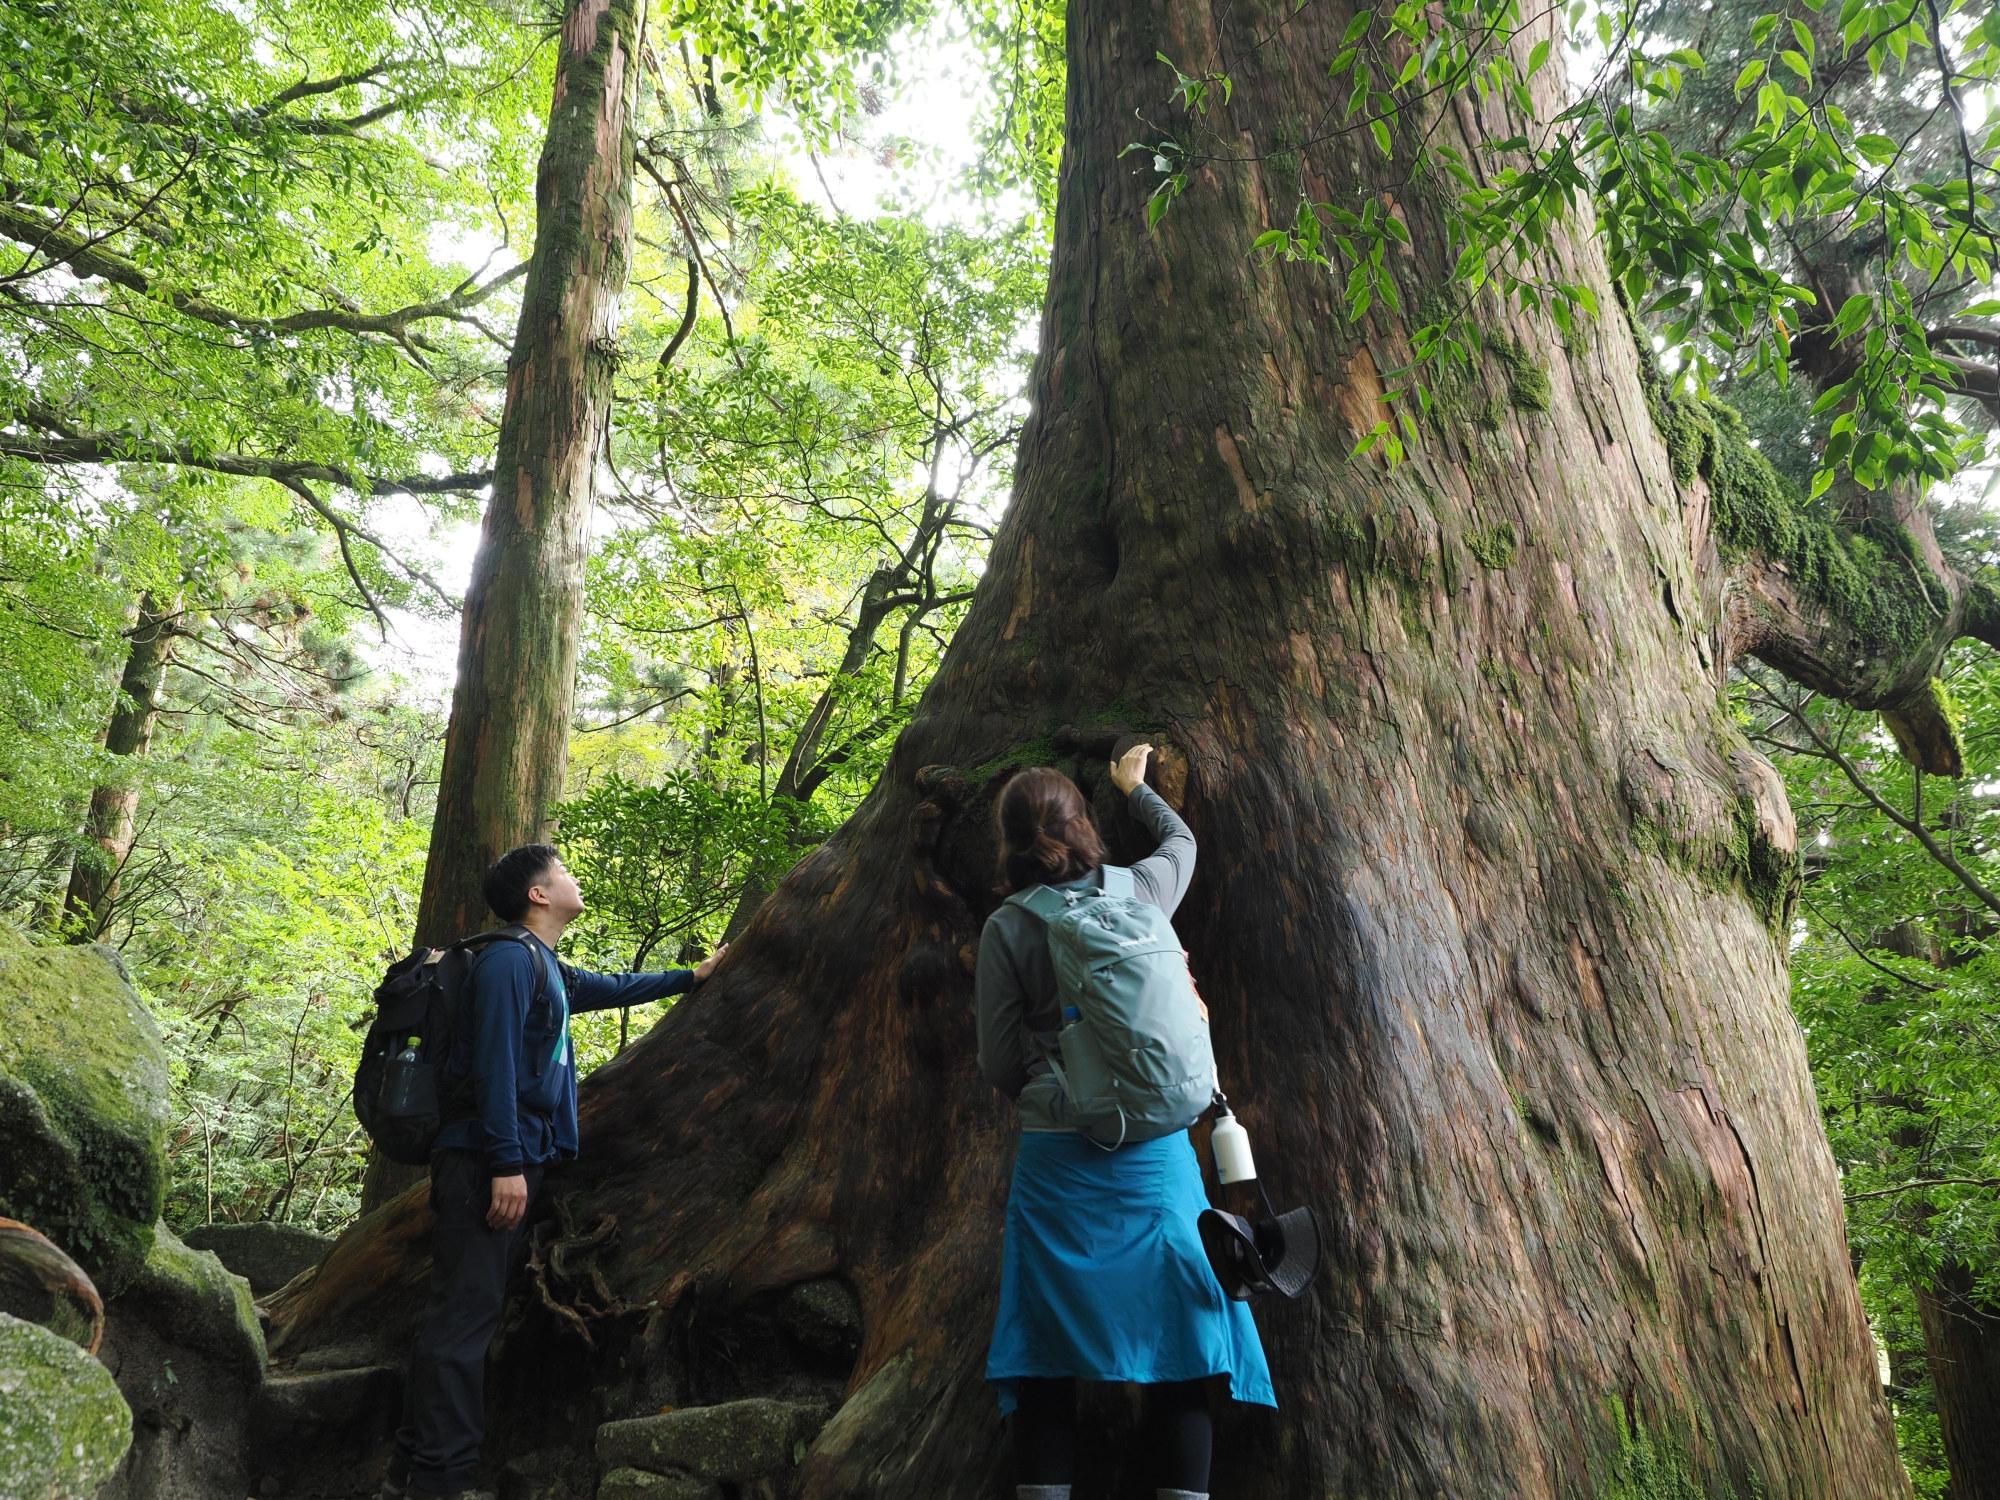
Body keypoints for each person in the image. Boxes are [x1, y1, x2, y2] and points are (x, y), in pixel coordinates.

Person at [381, 844, 726, 1500]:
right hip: (487, 1159)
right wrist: (507, 1164)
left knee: (458, 1312)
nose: (572, 879)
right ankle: (442, 1482)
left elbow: (608, 987)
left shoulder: (542, 965)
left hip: (500, 1157)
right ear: (539, 895)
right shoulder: (510, 961)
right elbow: (496, 1067)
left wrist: (690, 977)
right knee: (464, 1319)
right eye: (563, 871)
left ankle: (412, 1468)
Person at [976, 746, 1275, 1500]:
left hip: (1057, 1167)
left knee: (1045, 1358)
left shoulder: (1008, 929)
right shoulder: (1142, 889)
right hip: (1158, 1161)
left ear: (1008, 842)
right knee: (1179, 1355)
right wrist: (1137, 790)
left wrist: (1056, 1093)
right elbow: (1185, 844)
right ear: (1081, 827)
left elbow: (998, 1060)